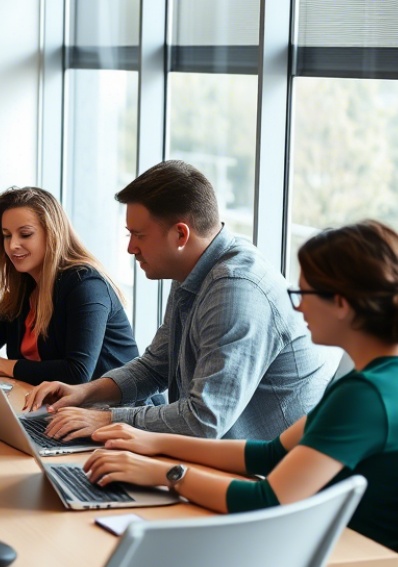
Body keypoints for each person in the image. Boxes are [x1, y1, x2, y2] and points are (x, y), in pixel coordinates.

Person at [84, 219, 398, 567]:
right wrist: (156, 442)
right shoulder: (372, 380)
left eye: (303, 293)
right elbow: (270, 455)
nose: (298, 306)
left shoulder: (365, 397)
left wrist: (163, 473)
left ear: (342, 304)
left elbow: (269, 499)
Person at [25, 159, 333, 442]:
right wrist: (85, 393)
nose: (131, 248)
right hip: (216, 458)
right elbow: (156, 367)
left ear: (181, 235)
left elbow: (204, 419)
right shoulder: (192, 270)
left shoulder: (236, 290)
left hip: (263, 479)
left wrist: (104, 419)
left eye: (139, 235)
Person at [0, 186, 137, 385]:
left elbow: (77, 373)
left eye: (25, 234)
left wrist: (4, 365)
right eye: (7, 235)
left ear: (53, 234)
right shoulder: (25, 285)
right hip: (60, 410)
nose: (13, 245)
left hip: (118, 415)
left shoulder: (85, 285)